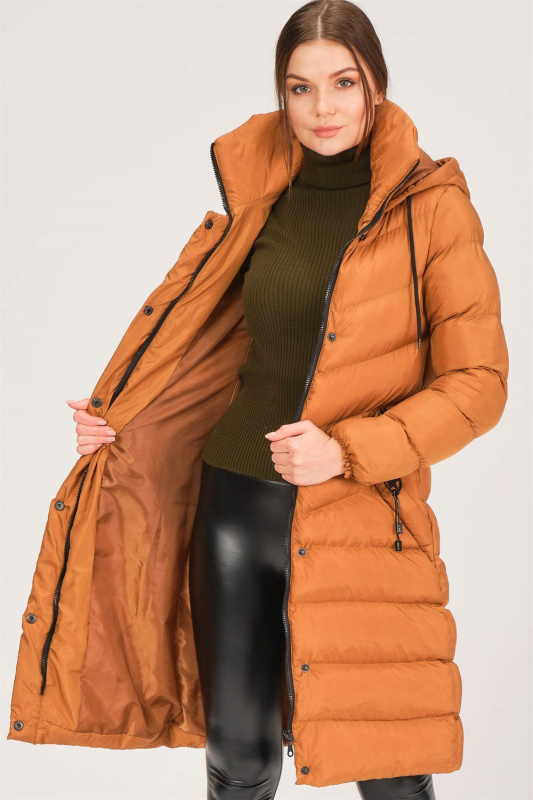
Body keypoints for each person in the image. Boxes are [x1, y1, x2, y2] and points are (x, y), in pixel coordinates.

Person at [34, 2, 506, 799]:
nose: (322, 107)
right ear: (281, 94)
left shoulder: (433, 208)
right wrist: (127, 421)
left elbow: (479, 384)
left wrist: (345, 450)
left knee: (387, 768)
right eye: (300, 87)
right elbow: (207, 343)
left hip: (360, 518)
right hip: (234, 505)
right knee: (241, 760)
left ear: (375, 84)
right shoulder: (259, 198)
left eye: (343, 83)